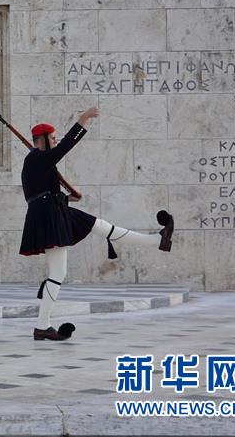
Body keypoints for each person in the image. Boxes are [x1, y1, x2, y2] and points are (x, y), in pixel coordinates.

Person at [20, 107, 174, 341]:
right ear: (42, 140)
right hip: (49, 217)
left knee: (100, 226)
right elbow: (65, 147)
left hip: (54, 211)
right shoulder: (36, 159)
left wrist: (68, 197)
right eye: (52, 137)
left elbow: (41, 192)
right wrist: (83, 119)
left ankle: (157, 240)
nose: (56, 140)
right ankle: (42, 325)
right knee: (58, 272)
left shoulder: (39, 161)